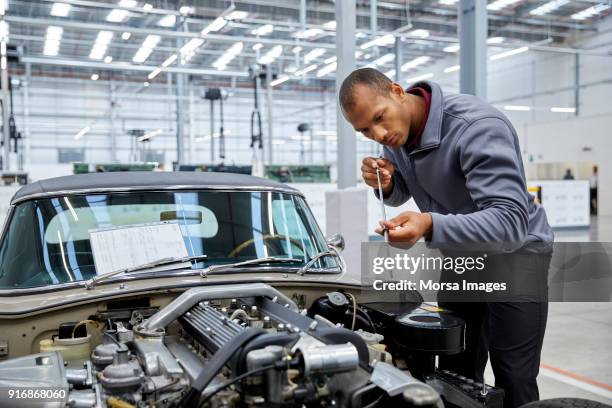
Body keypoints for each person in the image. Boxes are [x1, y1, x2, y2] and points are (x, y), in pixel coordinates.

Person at [339, 68, 553, 408]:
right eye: (365, 129)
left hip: (517, 256)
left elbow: (510, 222)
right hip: (462, 255)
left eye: (379, 119)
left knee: (513, 373)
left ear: (397, 91)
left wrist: (428, 224)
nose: (378, 134)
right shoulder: (398, 135)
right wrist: (389, 183)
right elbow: (407, 190)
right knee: (455, 366)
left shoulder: (476, 127)